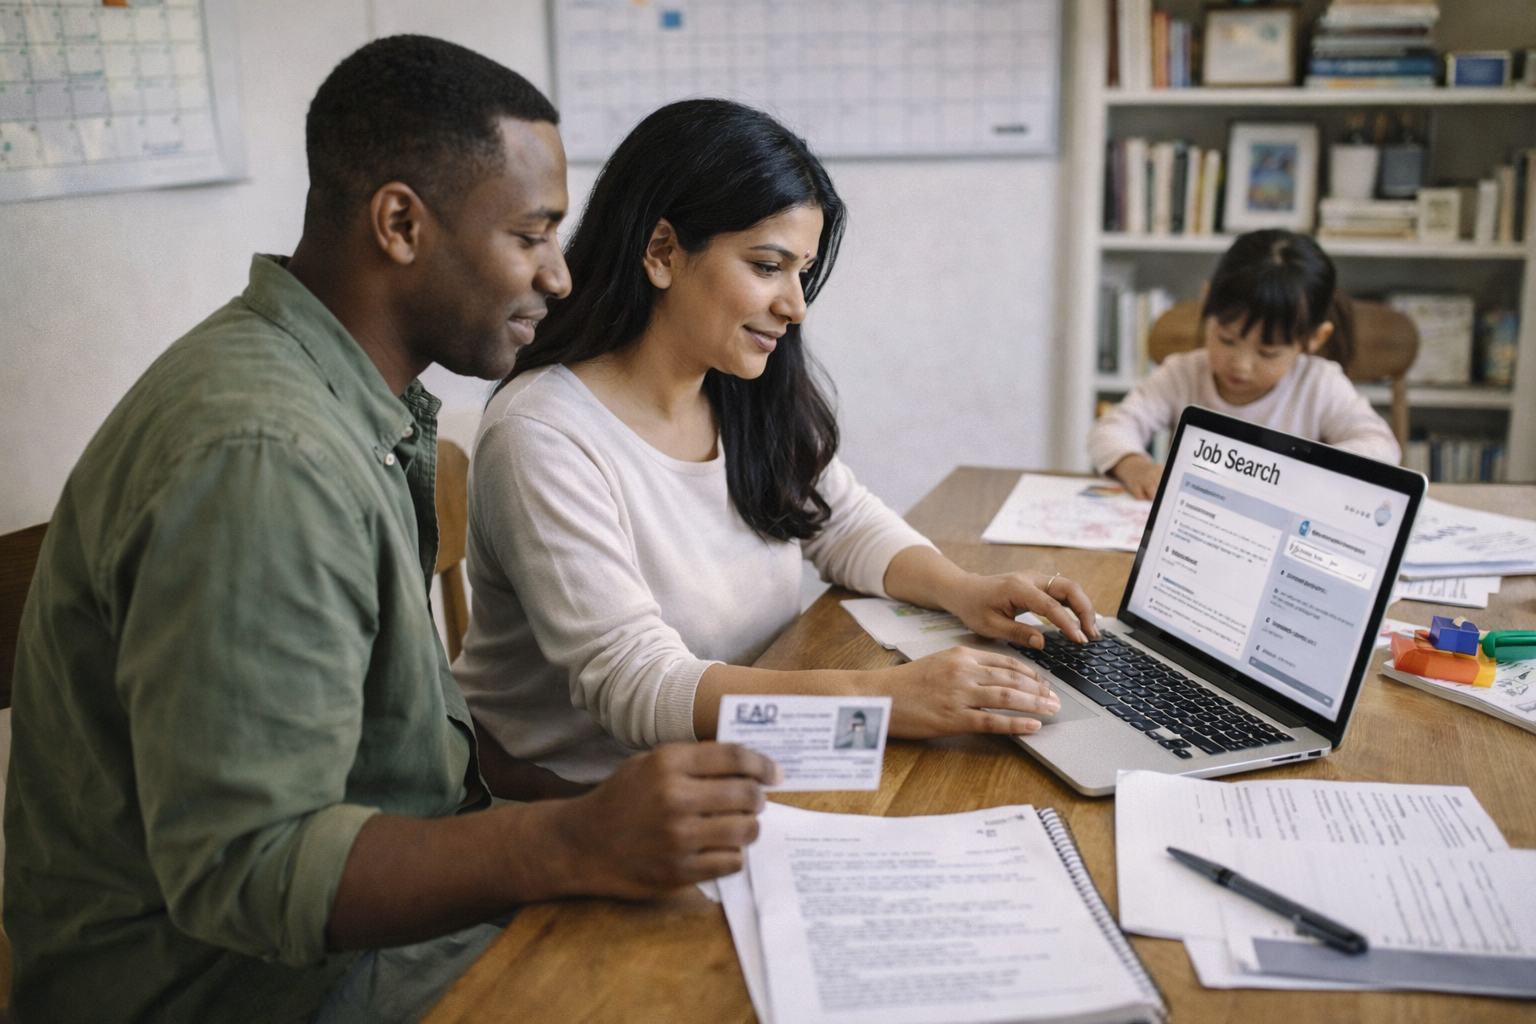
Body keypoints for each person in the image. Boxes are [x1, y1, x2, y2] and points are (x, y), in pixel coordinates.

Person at [4, 37, 779, 1024]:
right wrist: (574, 840)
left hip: (357, 933)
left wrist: (579, 815)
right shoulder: (263, 454)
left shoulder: (345, 399)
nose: (562, 277)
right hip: (244, 988)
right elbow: (251, 870)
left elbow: (403, 759)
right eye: (531, 236)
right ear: (402, 223)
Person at [453, 98, 1100, 786]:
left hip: (733, 755)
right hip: (573, 800)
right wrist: (882, 701)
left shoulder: (735, 387)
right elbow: (636, 685)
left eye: (802, 271)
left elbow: (840, 521)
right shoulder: (543, 435)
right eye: (768, 266)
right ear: (662, 251)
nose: (796, 305)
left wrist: (966, 589)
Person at [1089, 230, 1401, 499]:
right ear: (1208, 304)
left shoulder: (1319, 384)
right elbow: (1110, 430)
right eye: (1226, 339)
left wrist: (1310, 472)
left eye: (1268, 353)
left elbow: (1381, 448)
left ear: (1314, 339)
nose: (1241, 365)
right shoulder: (1183, 374)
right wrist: (1134, 465)